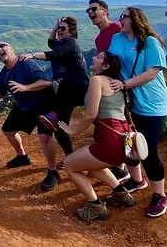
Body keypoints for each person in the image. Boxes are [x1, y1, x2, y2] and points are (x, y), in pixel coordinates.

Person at [107, 6, 167, 218]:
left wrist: (124, 84)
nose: (120, 19)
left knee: (149, 150)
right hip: (130, 102)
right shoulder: (117, 38)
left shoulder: (150, 42)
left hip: (153, 103)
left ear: (135, 19)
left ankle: (160, 195)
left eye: (123, 16)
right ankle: (137, 180)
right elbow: (112, 62)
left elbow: (151, 73)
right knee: (129, 143)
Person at [58, 51, 136, 222]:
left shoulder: (97, 80)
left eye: (99, 57)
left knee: (70, 164)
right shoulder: (116, 83)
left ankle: (95, 206)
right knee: (90, 163)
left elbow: (91, 114)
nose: (94, 58)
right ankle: (121, 194)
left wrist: (73, 130)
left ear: (105, 66)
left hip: (110, 141)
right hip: (125, 142)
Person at [0, 41, 62, 191]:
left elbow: (46, 82)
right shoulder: (4, 73)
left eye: (3, 46)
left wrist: (25, 87)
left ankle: (53, 171)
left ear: (12, 49)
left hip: (43, 106)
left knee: (44, 137)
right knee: (8, 130)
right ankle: (22, 157)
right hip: (23, 107)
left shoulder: (27, 64)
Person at [20, 16, 89, 169]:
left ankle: (53, 115)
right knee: (59, 126)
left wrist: (32, 55)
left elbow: (54, 54)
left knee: (57, 115)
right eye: (59, 28)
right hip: (66, 90)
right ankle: (71, 157)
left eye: (63, 29)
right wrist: (55, 28)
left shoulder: (70, 42)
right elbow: (51, 43)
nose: (59, 31)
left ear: (71, 32)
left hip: (76, 88)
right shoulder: (60, 42)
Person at [86, 0, 130, 183]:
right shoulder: (98, 38)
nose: (90, 12)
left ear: (105, 11)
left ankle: (124, 166)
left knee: (120, 122)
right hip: (110, 85)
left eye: (94, 9)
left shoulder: (118, 29)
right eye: (88, 11)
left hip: (123, 84)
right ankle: (118, 165)